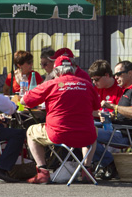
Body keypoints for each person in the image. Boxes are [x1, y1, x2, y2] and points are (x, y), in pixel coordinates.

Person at [20, 55, 100, 184]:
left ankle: (43, 172)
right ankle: (86, 169)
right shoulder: (87, 84)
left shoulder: (51, 84)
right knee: (94, 131)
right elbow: (96, 107)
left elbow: (25, 100)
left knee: (30, 131)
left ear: (56, 71)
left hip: (59, 134)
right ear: (73, 69)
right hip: (85, 135)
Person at [93, 60, 132, 179]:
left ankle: (109, 163)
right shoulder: (126, 91)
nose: (116, 77)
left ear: (130, 73)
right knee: (80, 130)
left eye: (119, 74)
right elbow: (121, 114)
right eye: (115, 75)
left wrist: (113, 107)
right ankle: (101, 164)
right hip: (114, 128)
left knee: (86, 134)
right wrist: (111, 115)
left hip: (124, 134)